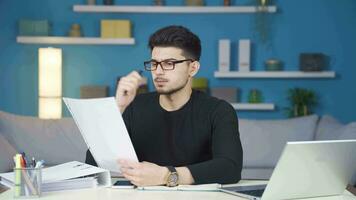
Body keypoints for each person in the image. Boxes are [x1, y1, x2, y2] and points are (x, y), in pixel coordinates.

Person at [86, 25, 243, 187]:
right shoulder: (134, 106)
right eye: (154, 64)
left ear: (193, 68)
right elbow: (92, 165)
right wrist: (118, 108)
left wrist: (167, 175)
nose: (158, 72)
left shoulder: (218, 111)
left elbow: (230, 168)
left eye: (169, 63)